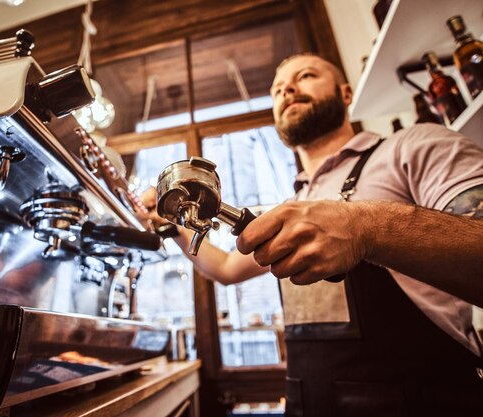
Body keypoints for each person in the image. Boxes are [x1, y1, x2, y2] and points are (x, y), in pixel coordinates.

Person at [142, 53, 483, 417]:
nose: (287, 89)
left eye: (305, 76)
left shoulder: (412, 146)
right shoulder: (294, 204)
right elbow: (226, 268)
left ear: (346, 93)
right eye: (276, 90)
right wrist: (175, 228)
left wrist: (363, 228)